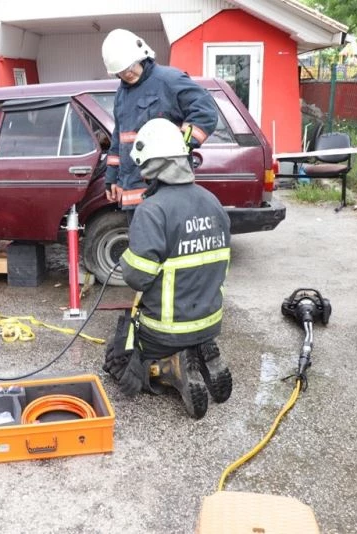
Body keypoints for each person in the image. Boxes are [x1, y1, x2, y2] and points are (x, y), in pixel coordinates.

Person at [103, 118, 232, 420]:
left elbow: (137, 277)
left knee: (118, 361)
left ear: (151, 167)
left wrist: (125, 259)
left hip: (166, 330)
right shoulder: (212, 202)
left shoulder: (153, 210)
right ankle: (199, 352)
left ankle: (168, 369)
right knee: (190, 333)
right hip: (210, 321)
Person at [101, 28, 218, 219]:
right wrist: (111, 177)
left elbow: (205, 114)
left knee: (171, 244)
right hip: (132, 191)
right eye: (121, 71)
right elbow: (119, 138)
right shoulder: (121, 95)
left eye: (130, 66)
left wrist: (182, 143)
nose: (127, 73)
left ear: (141, 56)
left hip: (167, 188)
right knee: (141, 245)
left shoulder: (169, 80)